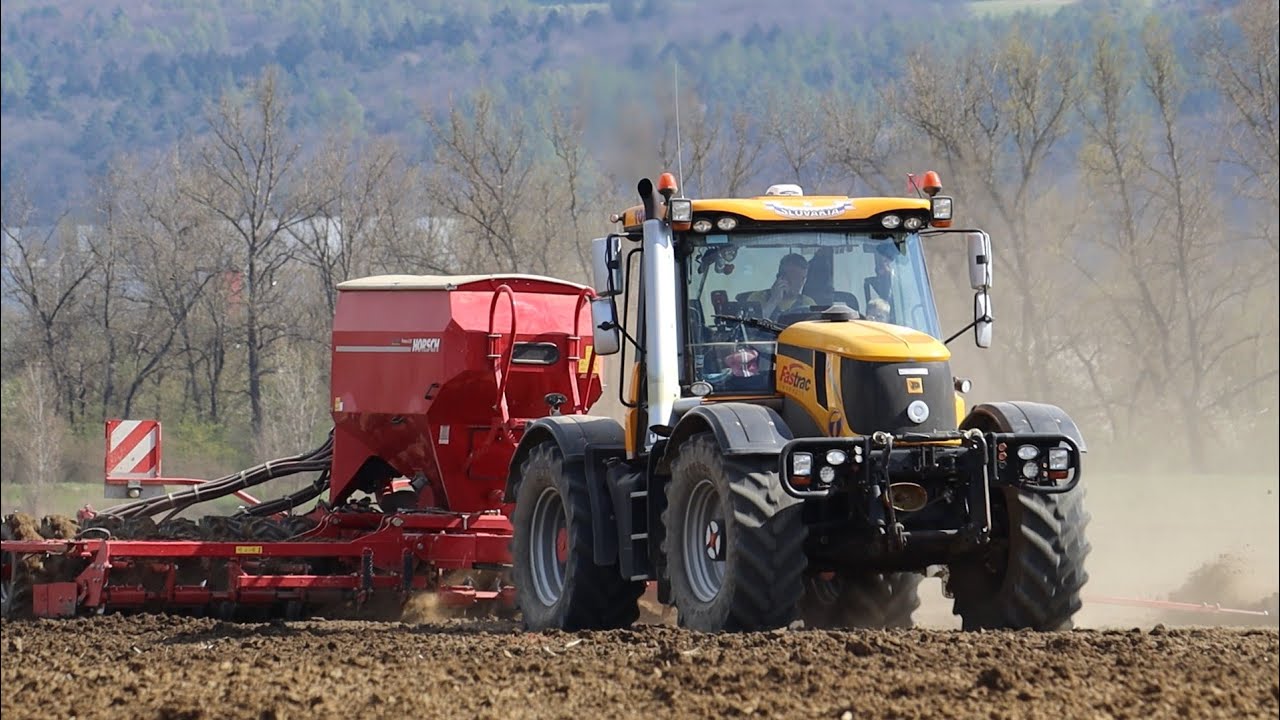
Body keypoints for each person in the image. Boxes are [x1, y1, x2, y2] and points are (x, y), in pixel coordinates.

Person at [748, 253, 815, 320]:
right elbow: (751, 327)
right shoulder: (757, 299)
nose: (800, 283)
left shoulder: (808, 304)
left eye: (802, 278)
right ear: (781, 278)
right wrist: (773, 301)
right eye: (795, 278)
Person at [863, 243, 897, 320]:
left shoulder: (901, 289)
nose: (882, 268)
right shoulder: (869, 284)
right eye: (880, 264)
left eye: (885, 262)